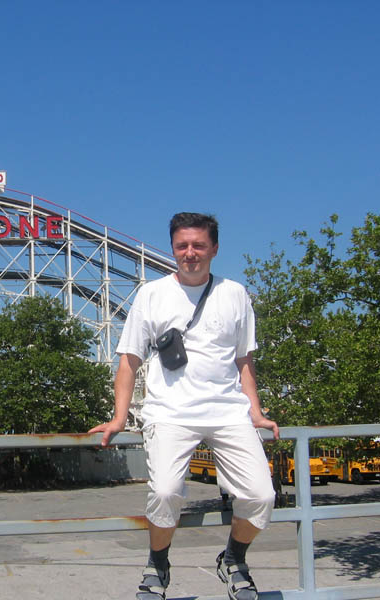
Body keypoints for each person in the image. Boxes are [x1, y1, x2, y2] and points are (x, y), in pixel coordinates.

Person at [88, 212, 278, 600]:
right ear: (173, 248)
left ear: (214, 249)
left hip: (228, 411)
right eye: (182, 246)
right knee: (166, 491)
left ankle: (234, 559)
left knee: (262, 495)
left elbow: (244, 361)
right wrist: (119, 416)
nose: (189, 253)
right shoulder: (152, 294)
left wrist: (255, 411)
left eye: (198, 245)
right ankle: (158, 563)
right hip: (169, 413)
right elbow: (129, 360)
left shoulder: (235, 293)